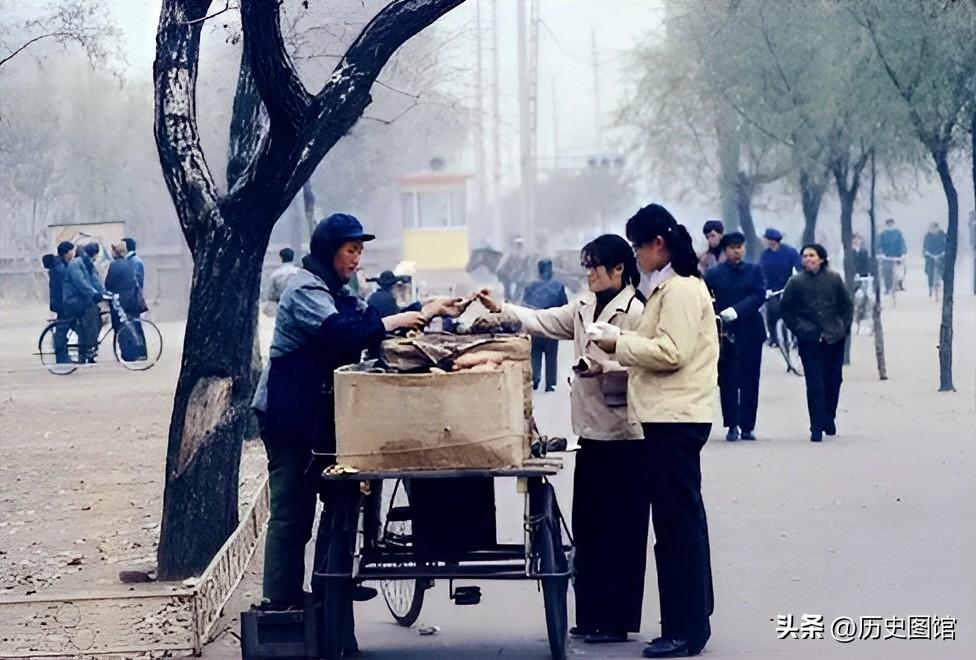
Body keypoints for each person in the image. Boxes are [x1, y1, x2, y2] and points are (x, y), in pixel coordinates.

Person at [250, 213, 460, 650]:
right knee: (291, 514)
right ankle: (282, 606)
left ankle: (330, 599)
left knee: (338, 506)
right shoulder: (305, 289)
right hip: (289, 418)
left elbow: (367, 321)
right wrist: (399, 321)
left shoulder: (339, 291)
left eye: (360, 251)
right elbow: (343, 334)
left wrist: (424, 313)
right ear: (330, 250)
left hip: (324, 417)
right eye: (351, 250)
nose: (357, 258)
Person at [479, 235, 647, 644]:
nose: (588, 274)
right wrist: (501, 309)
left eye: (595, 266)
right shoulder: (584, 306)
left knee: (620, 533)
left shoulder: (637, 311)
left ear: (619, 269)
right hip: (590, 433)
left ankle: (616, 620)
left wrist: (603, 366)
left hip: (626, 438)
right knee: (589, 530)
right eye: (586, 266)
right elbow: (544, 321)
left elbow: (649, 365)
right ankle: (589, 615)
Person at [591, 204, 717, 658]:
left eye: (638, 247)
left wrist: (617, 343)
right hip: (672, 417)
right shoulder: (670, 287)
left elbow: (672, 351)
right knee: (683, 521)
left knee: (676, 525)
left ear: (657, 245)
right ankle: (693, 617)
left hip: (675, 419)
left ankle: (684, 629)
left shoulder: (680, 289)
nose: (637, 257)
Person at [779, 244, 854, 442]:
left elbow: (847, 306)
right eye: (805, 256)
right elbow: (786, 309)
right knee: (814, 383)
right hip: (810, 340)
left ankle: (829, 416)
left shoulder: (834, 279)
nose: (808, 259)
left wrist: (842, 328)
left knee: (833, 380)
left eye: (812, 255)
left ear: (821, 258)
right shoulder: (795, 282)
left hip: (833, 338)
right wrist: (800, 330)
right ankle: (816, 425)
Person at [706, 232, 767, 442]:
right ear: (725, 250)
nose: (736, 250)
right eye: (732, 247)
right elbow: (707, 299)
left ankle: (748, 425)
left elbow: (759, 295)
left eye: (740, 246)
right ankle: (732, 424)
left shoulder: (754, 271)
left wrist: (737, 310)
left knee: (751, 380)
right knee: (728, 380)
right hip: (725, 334)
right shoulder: (714, 274)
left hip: (750, 331)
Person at [521, 259, 569, 391]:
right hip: (552, 325)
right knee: (551, 356)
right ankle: (550, 384)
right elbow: (564, 305)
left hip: (535, 324)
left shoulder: (531, 286)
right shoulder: (558, 286)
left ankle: (535, 378)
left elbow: (524, 304)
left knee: (535, 353)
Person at [62, 242, 106, 363]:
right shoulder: (76, 264)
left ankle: (89, 349)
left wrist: (104, 293)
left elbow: (95, 280)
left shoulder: (87, 264)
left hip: (82, 298)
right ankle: (88, 349)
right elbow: (81, 282)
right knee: (91, 315)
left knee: (96, 320)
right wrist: (94, 294)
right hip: (73, 300)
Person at [105, 242, 148, 361]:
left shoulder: (114, 266)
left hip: (121, 301)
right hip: (132, 299)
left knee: (122, 327)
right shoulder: (129, 264)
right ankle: (140, 352)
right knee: (134, 325)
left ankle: (128, 354)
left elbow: (108, 284)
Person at [758, 227, 802, 345]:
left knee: (793, 312)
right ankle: (774, 337)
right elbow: (762, 272)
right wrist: (766, 288)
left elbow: (798, 267)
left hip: (788, 286)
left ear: (773, 240)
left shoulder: (789, 252)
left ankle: (795, 337)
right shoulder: (765, 255)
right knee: (772, 311)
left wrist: (797, 281)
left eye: (768, 239)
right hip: (772, 289)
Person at [44, 242, 74, 362]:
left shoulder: (59, 265)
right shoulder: (60, 268)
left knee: (63, 327)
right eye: (71, 251)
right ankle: (61, 355)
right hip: (62, 302)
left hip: (60, 301)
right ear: (66, 253)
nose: (73, 253)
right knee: (62, 328)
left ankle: (62, 353)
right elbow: (67, 283)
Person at [264, 247, 301, 316]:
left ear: (281, 258)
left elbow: (271, 295)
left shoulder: (275, 274)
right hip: (298, 304)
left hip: (281, 306)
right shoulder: (300, 272)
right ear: (293, 257)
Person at [497, 236, 532, 301]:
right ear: (514, 245)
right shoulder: (509, 254)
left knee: (518, 293)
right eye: (517, 244)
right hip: (509, 277)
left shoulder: (525, 255)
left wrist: (525, 276)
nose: (519, 246)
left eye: (520, 244)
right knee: (507, 293)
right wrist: (507, 273)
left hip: (520, 278)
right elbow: (503, 266)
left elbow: (527, 268)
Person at [878, 218, 906, 293]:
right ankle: (887, 288)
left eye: (891, 224)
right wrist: (881, 254)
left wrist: (903, 253)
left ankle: (900, 284)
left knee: (900, 271)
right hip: (887, 257)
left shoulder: (898, 233)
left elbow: (902, 243)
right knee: (886, 272)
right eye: (888, 224)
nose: (890, 225)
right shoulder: (883, 234)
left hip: (897, 256)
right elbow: (879, 245)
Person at [922, 222, 947, 297]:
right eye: (933, 228)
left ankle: (945, 286)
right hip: (930, 256)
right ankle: (930, 287)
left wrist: (944, 253)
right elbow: (925, 246)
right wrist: (926, 253)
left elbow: (946, 245)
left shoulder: (943, 235)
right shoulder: (927, 236)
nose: (934, 230)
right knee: (930, 271)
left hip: (941, 256)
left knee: (944, 271)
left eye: (936, 228)